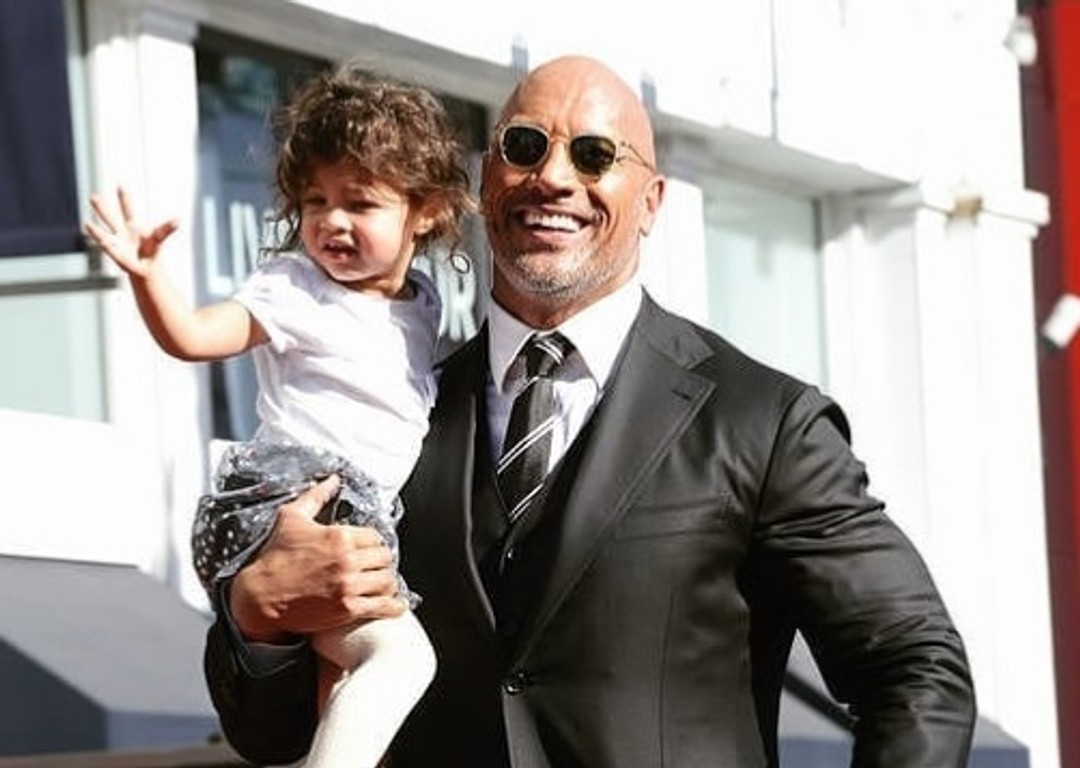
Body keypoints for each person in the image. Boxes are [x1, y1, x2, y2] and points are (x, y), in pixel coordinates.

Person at [203, 54, 977, 767]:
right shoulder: (383, 413)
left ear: (652, 201)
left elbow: (915, 668)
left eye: (595, 155)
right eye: (524, 146)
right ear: (485, 179)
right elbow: (270, 734)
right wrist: (258, 614)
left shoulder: (763, 422)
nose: (553, 177)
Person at [85, 62, 473, 768]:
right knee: (402, 660)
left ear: (429, 211)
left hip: (361, 516)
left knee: (343, 684)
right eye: (315, 200)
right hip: (296, 501)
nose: (331, 221)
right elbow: (194, 337)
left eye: (359, 202)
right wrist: (147, 279)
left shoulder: (421, 302)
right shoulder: (295, 287)